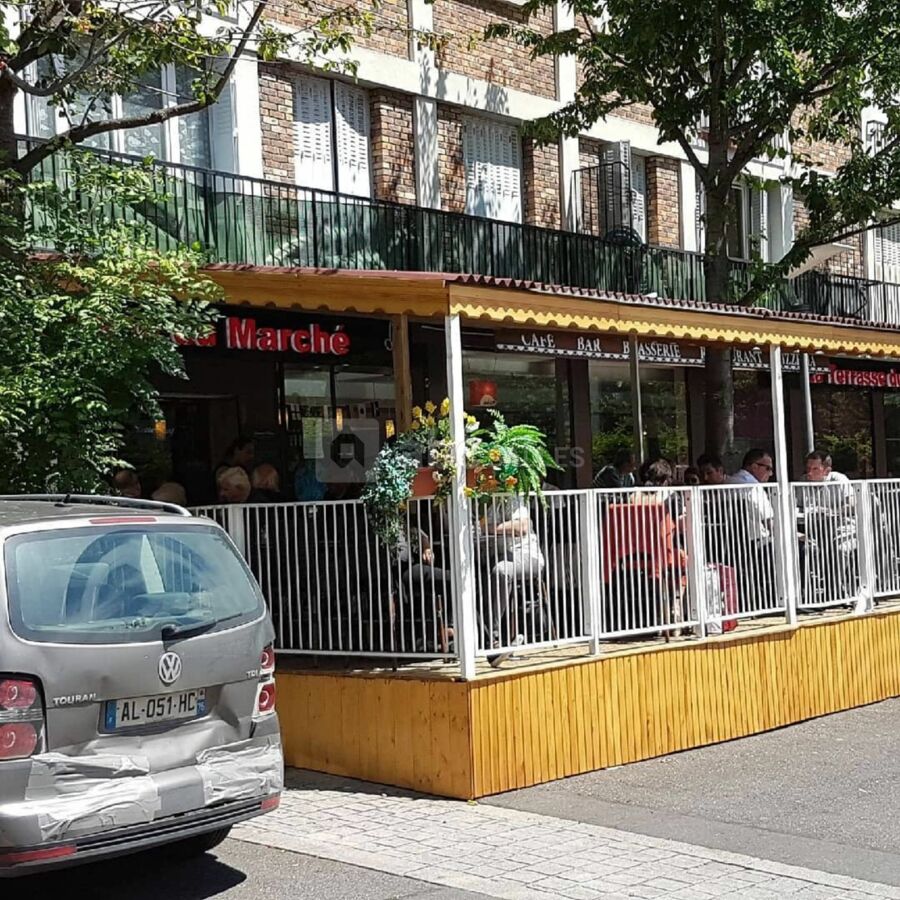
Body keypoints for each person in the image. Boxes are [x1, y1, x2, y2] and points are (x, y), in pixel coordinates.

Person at [479, 496, 545, 660]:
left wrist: (489, 528)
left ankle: (492, 639)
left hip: (528, 556)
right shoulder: (478, 502)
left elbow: (522, 527)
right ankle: (485, 639)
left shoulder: (511, 497)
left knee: (501, 571)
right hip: (497, 557)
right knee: (475, 577)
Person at [728, 449, 776, 611]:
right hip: (756, 544)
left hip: (729, 546)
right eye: (768, 468)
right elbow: (770, 523)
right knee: (803, 548)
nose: (771, 474)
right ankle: (785, 599)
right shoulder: (752, 486)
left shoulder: (728, 483)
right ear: (755, 466)